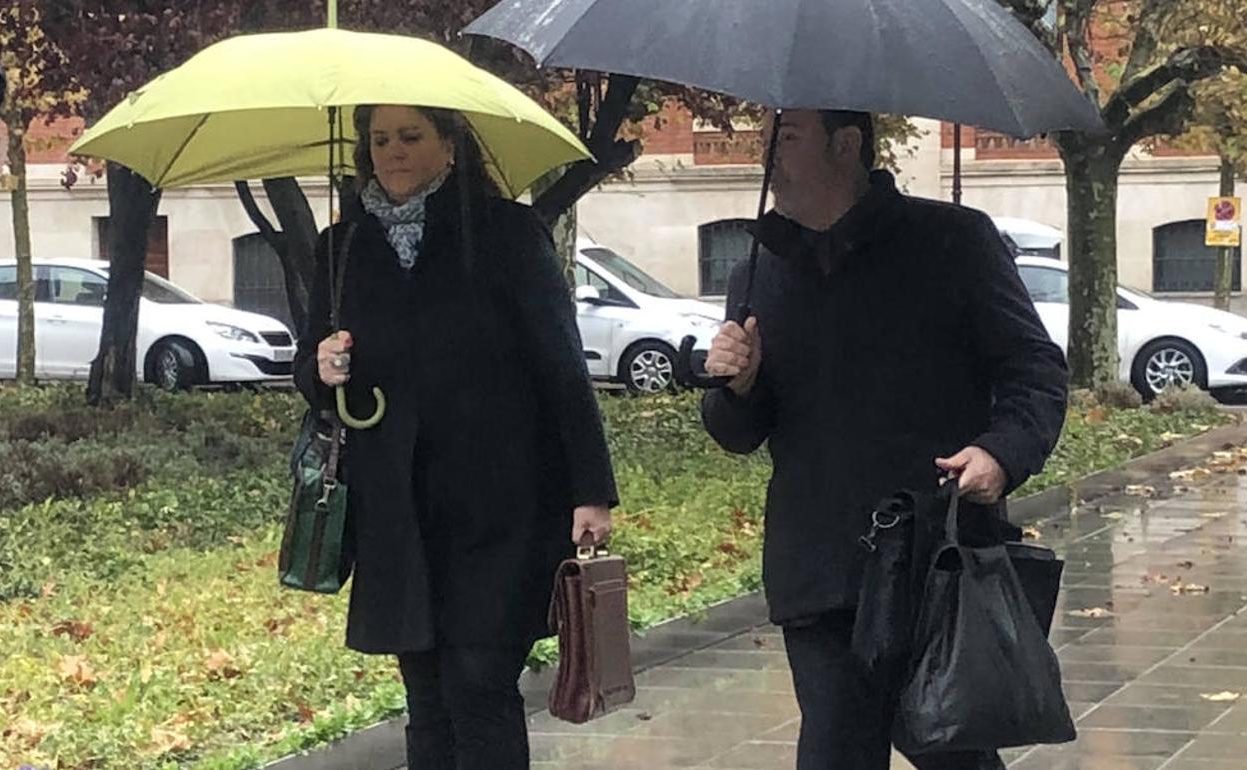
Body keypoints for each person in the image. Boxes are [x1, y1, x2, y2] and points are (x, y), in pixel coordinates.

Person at [702, 109, 1069, 770]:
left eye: (787, 138)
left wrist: (1001, 452)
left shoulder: (952, 242)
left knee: (955, 755)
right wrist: (736, 386)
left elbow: (1034, 367)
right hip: (818, 570)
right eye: (767, 139)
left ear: (845, 145)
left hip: (936, 559)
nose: (767, 156)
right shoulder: (758, 272)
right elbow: (739, 433)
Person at [293, 104, 618, 770]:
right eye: (380, 139)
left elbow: (560, 364)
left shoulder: (504, 233)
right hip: (396, 510)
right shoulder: (342, 247)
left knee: (479, 682)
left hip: (500, 506)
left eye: (411, 136)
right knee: (427, 698)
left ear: (449, 144)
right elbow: (312, 369)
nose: (393, 151)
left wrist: (591, 490)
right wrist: (320, 368)